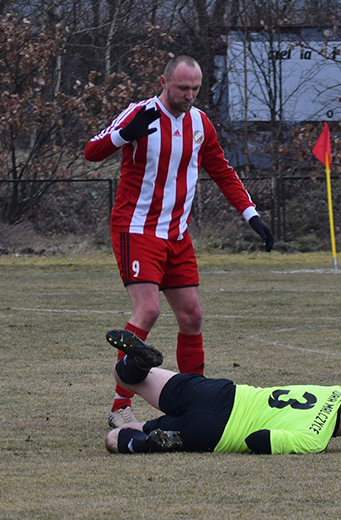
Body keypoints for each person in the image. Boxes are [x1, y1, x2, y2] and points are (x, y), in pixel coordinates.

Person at [84, 56, 274, 428]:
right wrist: (126, 134)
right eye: (182, 88)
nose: (189, 95)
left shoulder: (200, 123)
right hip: (136, 229)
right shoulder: (139, 113)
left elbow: (221, 169)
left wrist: (250, 213)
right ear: (164, 82)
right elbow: (92, 151)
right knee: (149, 310)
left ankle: (195, 398)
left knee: (192, 317)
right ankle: (120, 405)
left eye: (195, 89)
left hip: (176, 234)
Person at [102, 329, 341, 455]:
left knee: (126, 373)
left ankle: (142, 362)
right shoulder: (315, 440)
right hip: (214, 431)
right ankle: (153, 437)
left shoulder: (339, 393)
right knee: (115, 440)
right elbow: (257, 439)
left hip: (220, 393)